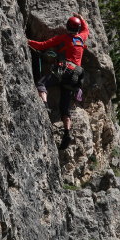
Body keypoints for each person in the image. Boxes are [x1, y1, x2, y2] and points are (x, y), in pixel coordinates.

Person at [28, 13, 89, 147]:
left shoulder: (63, 38)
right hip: (75, 77)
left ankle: (45, 106)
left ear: (67, 26)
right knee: (64, 107)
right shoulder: (82, 38)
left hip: (64, 70)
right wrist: (81, 19)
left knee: (41, 83)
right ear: (78, 29)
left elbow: (42, 45)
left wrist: (27, 41)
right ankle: (67, 132)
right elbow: (86, 29)